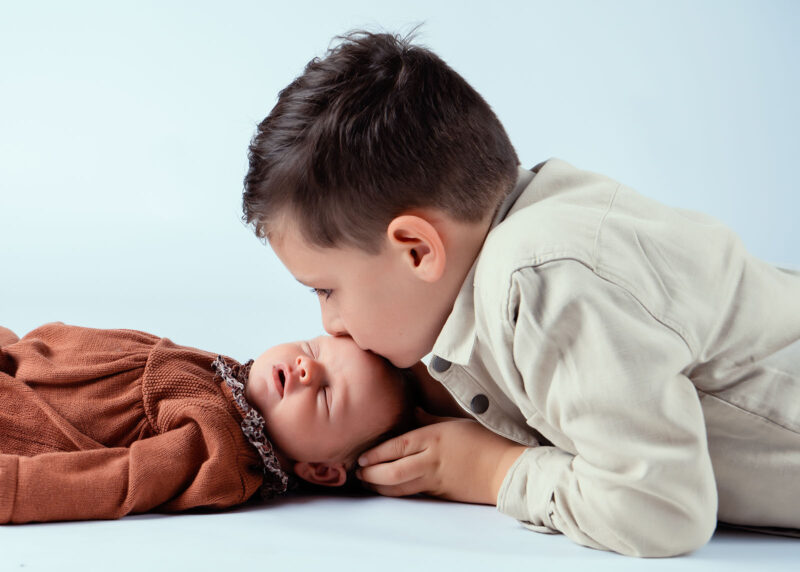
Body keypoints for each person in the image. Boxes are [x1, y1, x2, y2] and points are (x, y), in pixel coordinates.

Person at [241, 30, 800, 557]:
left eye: (325, 289)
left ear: (416, 249)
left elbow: (662, 511)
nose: (331, 324)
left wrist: (492, 470)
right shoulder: (534, 231)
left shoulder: (541, 281)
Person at [0, 322, 414, 523]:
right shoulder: (234, 382)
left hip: (22, 415)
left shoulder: (221, 450)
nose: (307, 368)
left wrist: (16, 486)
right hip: (25, 354)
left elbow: (121, 480)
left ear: (321, 470)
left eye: (325, 395)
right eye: (312, 349)